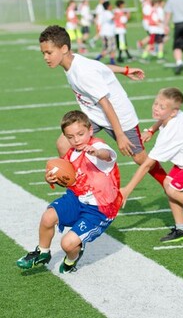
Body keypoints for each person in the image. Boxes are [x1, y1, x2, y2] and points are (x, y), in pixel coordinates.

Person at [38, 25, 167, 188]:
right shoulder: (73, 62)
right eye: (43, 53)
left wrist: (120, 135)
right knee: (63, 143)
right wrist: (124, 70)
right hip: (94, 114)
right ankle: (79, 186)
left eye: (49, 53)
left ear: (64, 49)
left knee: (139, 158)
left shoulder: (82, 73)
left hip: (119, 116)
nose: (46, 57)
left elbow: (106, 103)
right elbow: (100, 68)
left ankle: (169, 184)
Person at [15, 109, 122, 274]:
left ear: (90, 130)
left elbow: (107, 155)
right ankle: (42, 252)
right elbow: (68, 178)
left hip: (99, 209)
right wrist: (51, 178)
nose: (76, 140)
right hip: (77, 198)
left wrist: (97, 152)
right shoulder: (72, 153)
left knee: (67, 244)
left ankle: (72, 259)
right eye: (70, 137)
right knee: (48, 217)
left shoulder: (97, 146)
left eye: (80, 134)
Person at [120, 87, 183, 242]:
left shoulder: (172, 131)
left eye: (162, 107)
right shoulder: (171, 116)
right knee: (168, 183)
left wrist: (127, 189)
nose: (156, 108)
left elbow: (147, 165)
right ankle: (182, 229)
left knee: (173, 190)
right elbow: (162, 119)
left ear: (174, 112)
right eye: (156, 103)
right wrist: (151, 130)